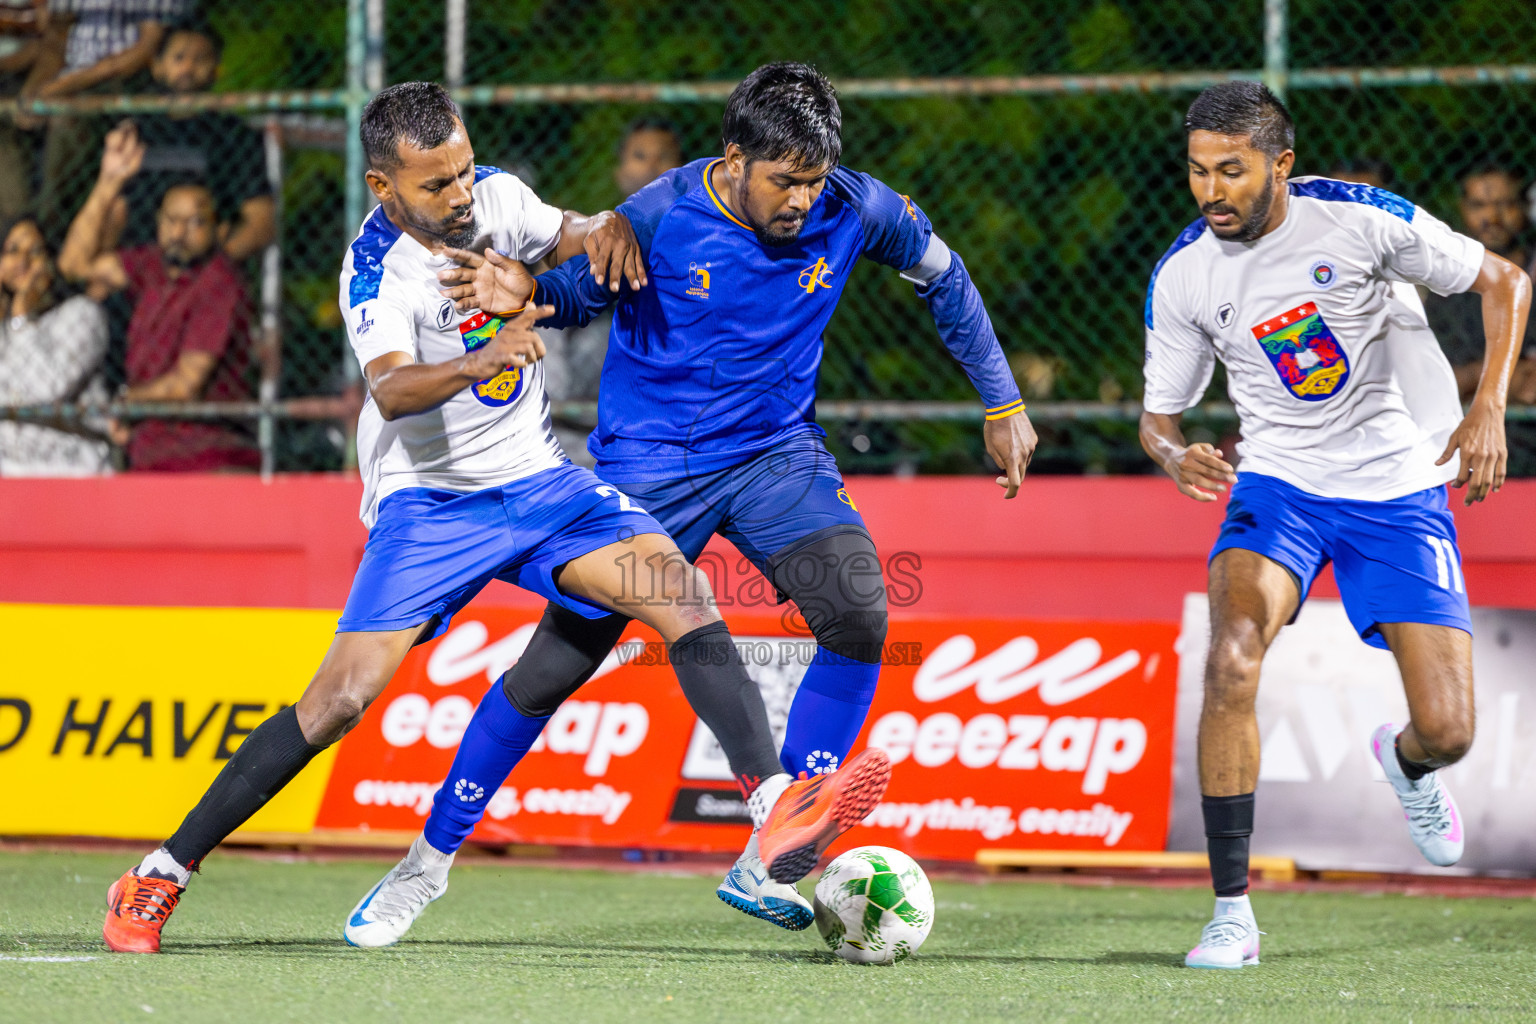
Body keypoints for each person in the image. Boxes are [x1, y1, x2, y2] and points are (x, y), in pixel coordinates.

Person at [98, 81, 889, 955]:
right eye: (437, 185)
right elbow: (393, 389)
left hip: (542, 487)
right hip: (432, 508)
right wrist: (483, 360)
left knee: (679, 589)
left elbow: (575, 235)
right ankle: (159, 873)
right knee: (339, 701)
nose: (462, 196)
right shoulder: (376, 271)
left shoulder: (496, 199)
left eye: (466, 171)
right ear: (382, 187)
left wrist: (608, 228)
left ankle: (772, 804)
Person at [349, 62, 1035, 946]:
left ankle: (776, 837)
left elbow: (947, 277)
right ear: (734, 156)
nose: (801, 200)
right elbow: (560, 297)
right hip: (647, 469)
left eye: (814, 179)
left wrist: (1003, 400)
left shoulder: (857, 209)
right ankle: (426, 862)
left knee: (859, 607)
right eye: (783, 180)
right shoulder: (659, 218)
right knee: (552, 669)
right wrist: (519, 293)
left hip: (774, 456)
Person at [1139, 82, 1529, 969]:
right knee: (1232, 653)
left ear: (1279, 164)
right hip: (1277, 482)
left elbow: (1506, 280)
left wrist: (1490, 406)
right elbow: (1158, 418)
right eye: (1198, 172)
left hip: (1399, 485)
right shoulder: (1186, 271)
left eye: (1231, 171)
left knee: (1450, 731)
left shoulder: (1357, 220)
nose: (1211, 191)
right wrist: (1172, 454)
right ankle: (1231, 913)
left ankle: (1406, 765)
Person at [58, 123, 259, 471]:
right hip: (149, 450)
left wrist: (123, 402)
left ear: (219, 230)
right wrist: (108, 182)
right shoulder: (150, 265)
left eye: (194, 222)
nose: (178, 232)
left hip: (209, 452)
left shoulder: (220, 281)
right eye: (171, 221)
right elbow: (74, 264)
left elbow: (185, 385)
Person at [541, 116, 684, 465]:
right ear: (620, 173)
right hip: (587, 402)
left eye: (663, 156)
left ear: (684, 170)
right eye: (639, 155)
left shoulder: (706, 240)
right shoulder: (598, 232)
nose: (651, 166)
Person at [96, 19, 275, 261]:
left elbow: (260, 221)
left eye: (200, 59)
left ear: (216, 69)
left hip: (206, 266)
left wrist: (210, 272)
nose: (188, 68)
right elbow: (110, 209)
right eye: (179, 58)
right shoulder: (133, 132)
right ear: (157, 66)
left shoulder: (235, 134)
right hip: (137, 265)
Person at [24, 0, 193, 225]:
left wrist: (61, 87)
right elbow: (55, 41)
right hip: (67, 77)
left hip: (126, 80)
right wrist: (31, 94)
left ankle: (46, 221)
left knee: (66, 116)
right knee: (13, 120)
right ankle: (16, 227)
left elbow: (146, 49)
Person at [0, 213, 111, 474]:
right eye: (12, 251)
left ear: (51, 262)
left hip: (71, 473)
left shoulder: (81, 314)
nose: (23, 261)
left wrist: (22, 318)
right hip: (11, 479)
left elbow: (46, 390)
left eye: (36, 251)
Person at [1423, 164, 1536, 404]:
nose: (1493, 218)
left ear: (1525, 206)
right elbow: (1433, 381)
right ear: (1462, 208)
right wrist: (1501, 375)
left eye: (1505, 204)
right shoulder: (1446, 284)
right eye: (1479, 206)